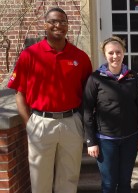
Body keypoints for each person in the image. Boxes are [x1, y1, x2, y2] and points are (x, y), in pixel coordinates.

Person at [7, 7, 92, 193]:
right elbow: (19, 93)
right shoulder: (30, 55)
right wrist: (29, 123)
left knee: (69, 179)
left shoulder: (81, 58)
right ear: (45, 25)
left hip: (71, 122)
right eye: (53, 21)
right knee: (40, 182)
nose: (58, 26)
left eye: (62, 22)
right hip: (40, 123)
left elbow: (89, 95)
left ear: (68, 26)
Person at [83, 36, 138, 193]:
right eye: (111, 53)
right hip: (106, 141)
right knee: (109, 184)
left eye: (118, 52)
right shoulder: (95, 78)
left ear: (124, 53)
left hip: (130, 139)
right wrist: (91, 141)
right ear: (105, 55)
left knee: (125, 183)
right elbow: (87, 110)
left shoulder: (132, 77)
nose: (115, 56)